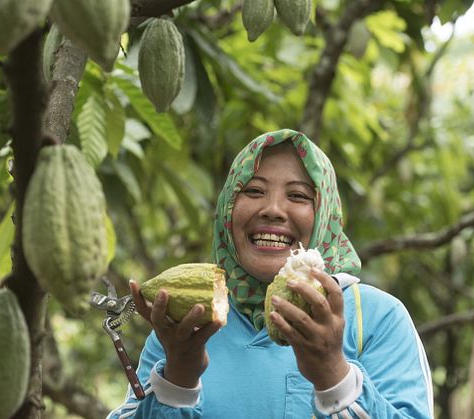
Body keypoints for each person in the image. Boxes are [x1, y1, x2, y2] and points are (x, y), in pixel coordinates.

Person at [107, 129, 433, 418]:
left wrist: (334, 375)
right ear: (226, 212)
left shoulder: (374, 319)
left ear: (325, 216)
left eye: (298, 196)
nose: (273, 209)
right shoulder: (186, 325)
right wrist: (177, 379)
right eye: (253, 191)